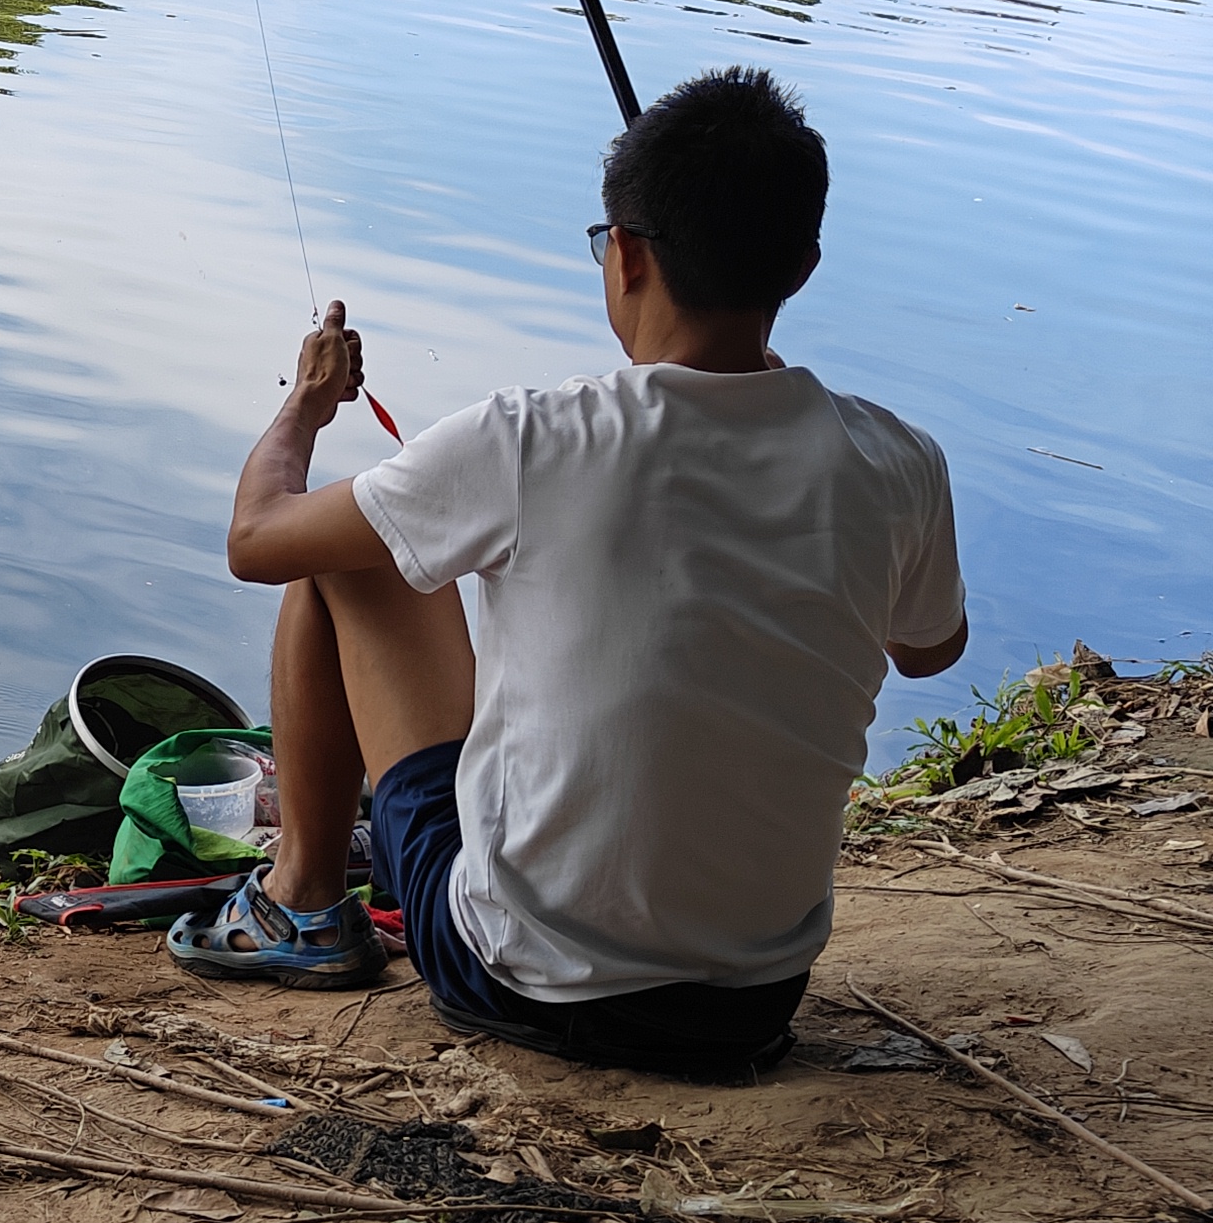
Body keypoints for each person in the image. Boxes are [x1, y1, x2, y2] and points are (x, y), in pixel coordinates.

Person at [175, 66, 968, 1078]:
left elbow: (258, 535)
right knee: (403, 545)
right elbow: (931, 649)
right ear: (801, 267)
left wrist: (306, 405)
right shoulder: (899, 462)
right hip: (751, 1006)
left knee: (346, 559)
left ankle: (301, 902)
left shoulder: (536, 438)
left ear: (627, 254)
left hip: (518, 977)